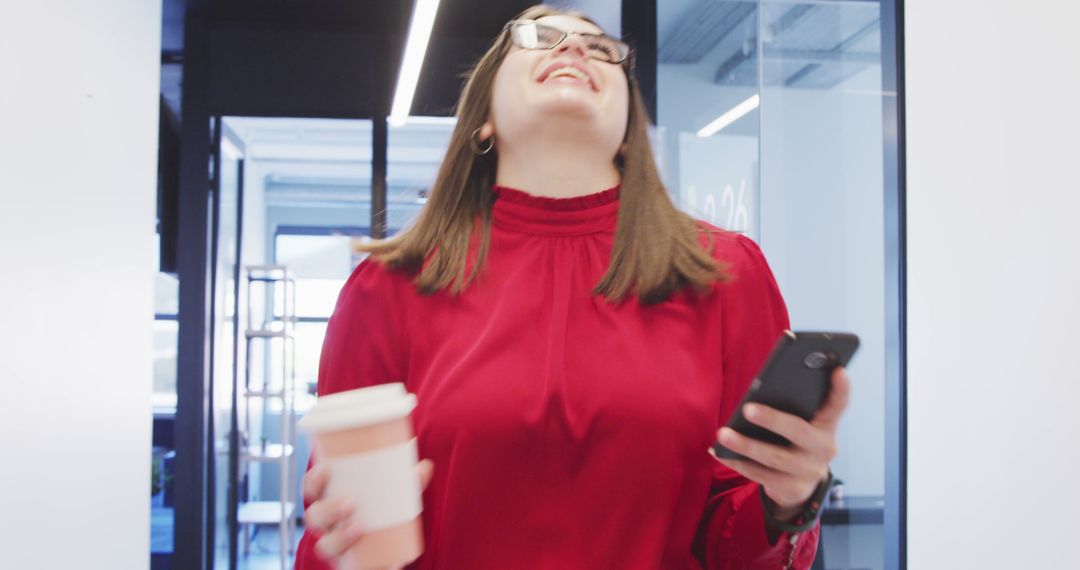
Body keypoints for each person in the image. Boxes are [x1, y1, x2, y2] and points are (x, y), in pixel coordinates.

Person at [295, 5, 850, 569]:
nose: (576, 48)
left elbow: (739, 551)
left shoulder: (725, 273)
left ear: (630, 132)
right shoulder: (388, 287)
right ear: (483, 116)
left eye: (603, 47)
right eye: (540, 37)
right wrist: (339, 545)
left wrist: (790, 502)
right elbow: (346, 535)